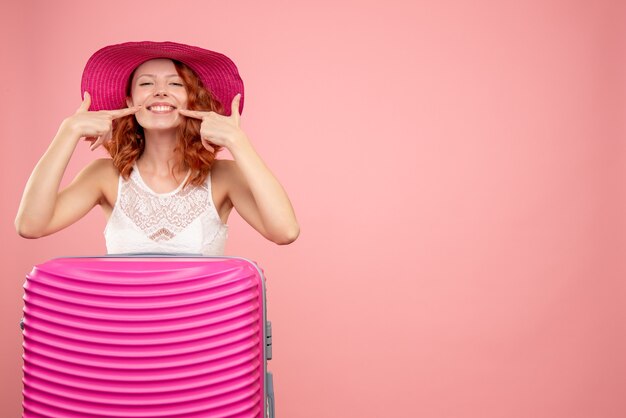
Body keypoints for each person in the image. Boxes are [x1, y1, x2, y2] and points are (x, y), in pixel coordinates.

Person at [14, 41, 300, 255]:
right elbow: (30, 225)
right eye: (147, 83)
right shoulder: (104, 176)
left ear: (191, 100)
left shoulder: (224, 176)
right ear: (129, 101)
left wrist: (239, 142)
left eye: (175, 83)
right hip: (126, 333)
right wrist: (68, 132)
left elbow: (285, 231)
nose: (160, 91)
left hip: (205, 334)